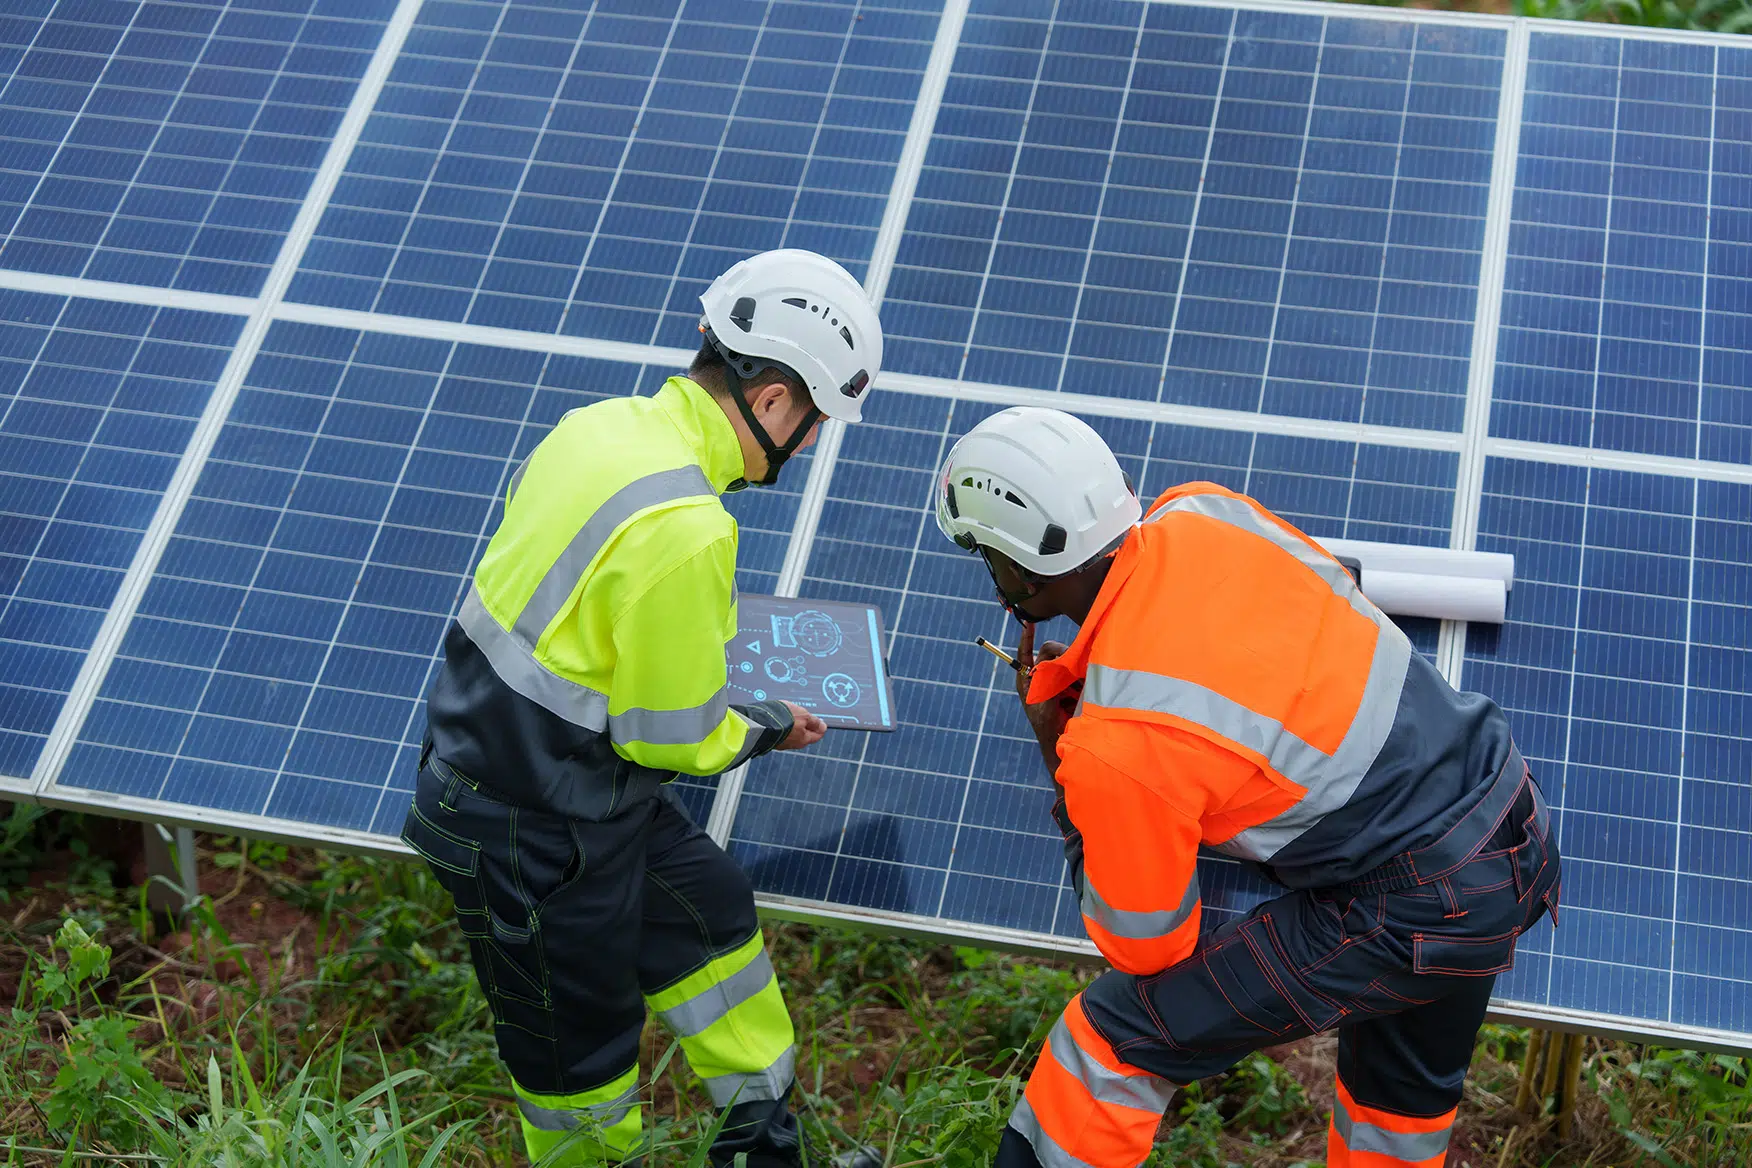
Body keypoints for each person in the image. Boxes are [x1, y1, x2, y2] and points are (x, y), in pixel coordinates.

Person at [933, 406, 1563, 1168]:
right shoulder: (1207, 511)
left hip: (1416, 901)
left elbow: (1145, 944)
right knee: (1396, 1108)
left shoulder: (1118, 739)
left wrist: (1067, 767)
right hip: (1506, 808)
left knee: (1108, 1047)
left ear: (1015, 570)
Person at [401, 249, 885, 1167]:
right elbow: (676, 737)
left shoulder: (597, 428)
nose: (815, 442)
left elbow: (583, 621)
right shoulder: (692, 527)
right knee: (578, 1056)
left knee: (714, 918)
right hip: (530, 823)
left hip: (562, 781)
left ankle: (764, 1149)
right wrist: (772, 725)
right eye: (818, 418)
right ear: (776, 400)